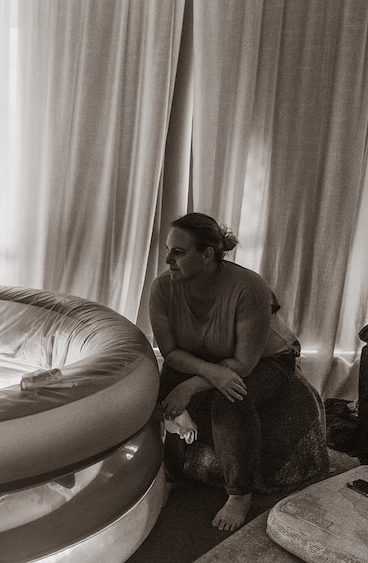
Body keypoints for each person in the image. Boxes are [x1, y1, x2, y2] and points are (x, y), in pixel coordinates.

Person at [149, 212, 300, 532]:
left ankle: (239, 495)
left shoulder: (250, 288)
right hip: (203, 357)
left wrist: (191, 387)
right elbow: (171, 352)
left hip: (268, 360)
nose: (167, 259)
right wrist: (197, 379)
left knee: (230, 400)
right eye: (168, 249)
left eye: (178, 252)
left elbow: (244, 363)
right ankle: (172, 476)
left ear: (207, 255)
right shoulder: (162, 289)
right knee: (160, 395)